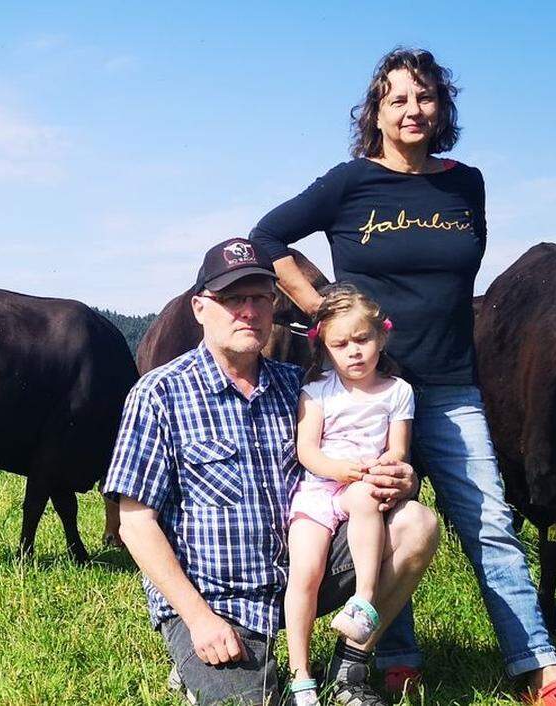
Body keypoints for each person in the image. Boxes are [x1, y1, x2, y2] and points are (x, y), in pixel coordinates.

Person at [249, 47, 556, 705]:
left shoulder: (463, 182)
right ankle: (396, 660)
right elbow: (267, 239)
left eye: (425, 97)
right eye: (397, 99)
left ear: (441, 107)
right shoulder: (349, 182)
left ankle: (540, 671)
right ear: (376, 113)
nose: (412, 110)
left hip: (450, 384)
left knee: (491, 524)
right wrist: (323, 312)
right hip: (369, 392)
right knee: (387, 520)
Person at [105, 237, 440, 706]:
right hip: (219, 600)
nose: (248, 311)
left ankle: (350, 668)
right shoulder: (159, 394)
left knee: (416, 523)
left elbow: (368, 456)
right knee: (257, 701)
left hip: (301, 570)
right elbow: (135, 523)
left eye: (260, 297)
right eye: (232, 298)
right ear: (201, 308)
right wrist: (199, 619)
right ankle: (195, 665)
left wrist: (401, 479)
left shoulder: (300, 387)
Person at [283, 284, 415, 706]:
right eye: (341, 344)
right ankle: (300, 671)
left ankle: (364, 599)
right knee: (305, 570)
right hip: (320, 489)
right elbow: (307, 450)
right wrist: (338, 469)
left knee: (362, 501)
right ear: (324, 348)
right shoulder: (317, 390)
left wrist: (386, 467)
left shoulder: (398, 391)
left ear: (382, 337)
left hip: (362, 485)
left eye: (362, 339)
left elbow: (398, 447)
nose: (354, 351)